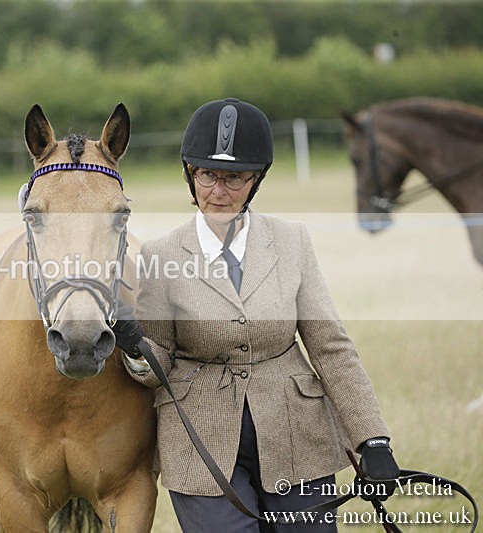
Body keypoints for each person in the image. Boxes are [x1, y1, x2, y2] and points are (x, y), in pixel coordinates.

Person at [112, 98, 399, 532]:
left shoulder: (292, 242)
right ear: (190, 175)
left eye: (234, 179)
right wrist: (134, 346)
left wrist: (371, 438)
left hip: (295, 431)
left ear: (255, 181)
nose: (218, 191)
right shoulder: (160, 255)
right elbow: (158, 363)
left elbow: (330, 346)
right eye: (207, 175)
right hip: (200, 441)